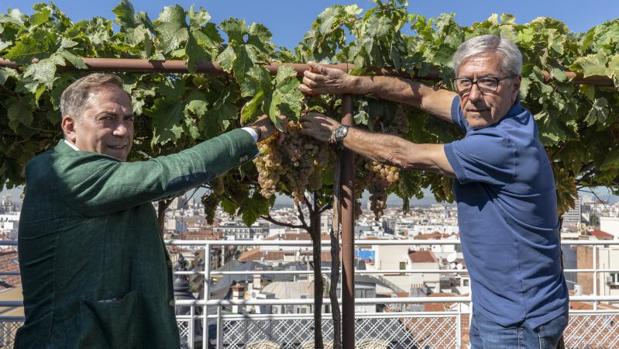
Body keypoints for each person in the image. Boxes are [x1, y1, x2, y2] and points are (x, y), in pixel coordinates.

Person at [299, 35, 568, 348]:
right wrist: (351, 82)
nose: (474, 95)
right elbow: (424, 96)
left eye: (489, 82)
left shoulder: (502, 145)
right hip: (505, 308)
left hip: (519, 319)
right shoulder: (501, 117)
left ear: (514, 84)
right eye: (465, 82)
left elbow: (407, 155)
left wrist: (338, 133)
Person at [16, 73, 282, 348]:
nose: (122, 131)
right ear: (70, 127)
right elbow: (171, 172)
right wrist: (258, 131)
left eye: (128, 119)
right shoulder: (62, 171)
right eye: (107, 119)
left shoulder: (90, 172)